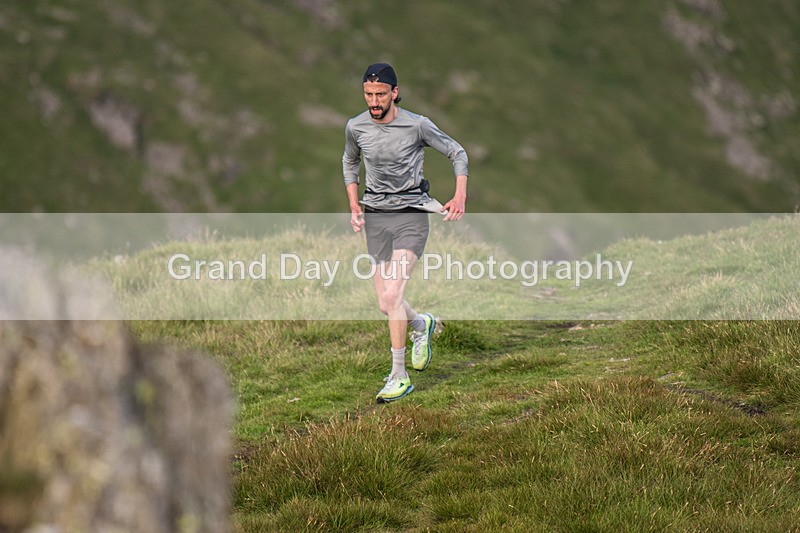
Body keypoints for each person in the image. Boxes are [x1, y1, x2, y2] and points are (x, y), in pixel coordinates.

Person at [342, 62, 469, 403]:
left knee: (393, 296)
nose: (374, 101)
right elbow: (349, 162)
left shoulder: (417, 125)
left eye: (380, 94)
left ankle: (399, 376)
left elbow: (457, 152)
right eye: (368, 94)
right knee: (386, 304)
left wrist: (459, 195)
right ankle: (421, 324)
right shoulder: (356, 127)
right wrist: (354, 204)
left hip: (412, 216)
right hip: (375, 218)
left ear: (394, 92)